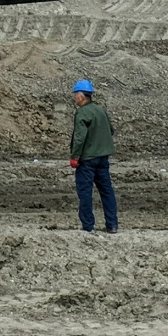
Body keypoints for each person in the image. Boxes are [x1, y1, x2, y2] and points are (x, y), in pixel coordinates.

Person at [68, 80, 117, 233]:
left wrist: (75, 156)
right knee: (107, 191)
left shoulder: (82, 113)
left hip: (87, 160)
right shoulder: (100, 110)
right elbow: (111, 130)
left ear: (81, 96)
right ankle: (112, 224)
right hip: (103, 158)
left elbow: (79, 137)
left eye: (76, 95)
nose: (75, 98)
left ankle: (88, 226)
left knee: (85, 192)